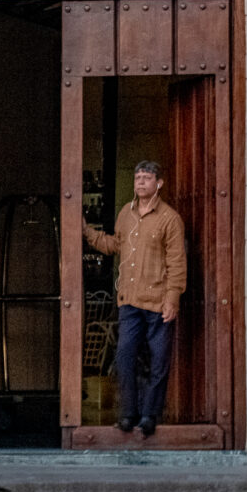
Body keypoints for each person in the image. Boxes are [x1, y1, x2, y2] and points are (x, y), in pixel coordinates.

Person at [83, 161, 187, 436]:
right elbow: (115, 245)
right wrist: (86, 232)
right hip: (129, 301)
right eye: (137, 177)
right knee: (125, 357)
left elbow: (177, 262)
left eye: (147, 178)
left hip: (157, 301)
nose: (140, 182)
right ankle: (128, 414)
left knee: (158, 362)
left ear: (159, 183)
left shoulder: (169, 219)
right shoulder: (125, 215)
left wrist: (172, 299)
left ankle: (149, 417)